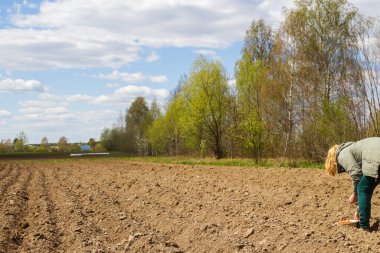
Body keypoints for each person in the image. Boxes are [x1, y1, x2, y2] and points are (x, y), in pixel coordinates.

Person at [325, 137, 380, 230]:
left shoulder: (342, 155)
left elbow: (357, 174)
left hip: (376, 156)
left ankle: (364, 226)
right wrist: (360, 207)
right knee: (365, 187)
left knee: (362, 189)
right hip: (376, 154)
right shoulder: (352, 147)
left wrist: (355, 194)